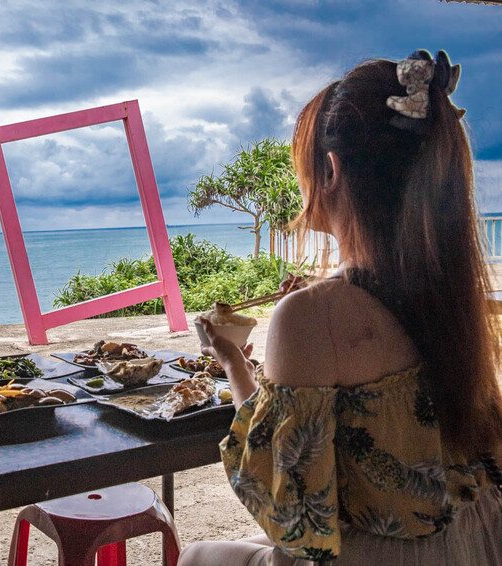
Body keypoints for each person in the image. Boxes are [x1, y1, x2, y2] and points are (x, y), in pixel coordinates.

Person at [179, 50, 502, 566]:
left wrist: (233, 362)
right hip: (478, 535)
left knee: (197, 555)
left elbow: (294, 517)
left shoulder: (314, 315)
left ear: (330, 169)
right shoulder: (451, 295)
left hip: (390, 555)